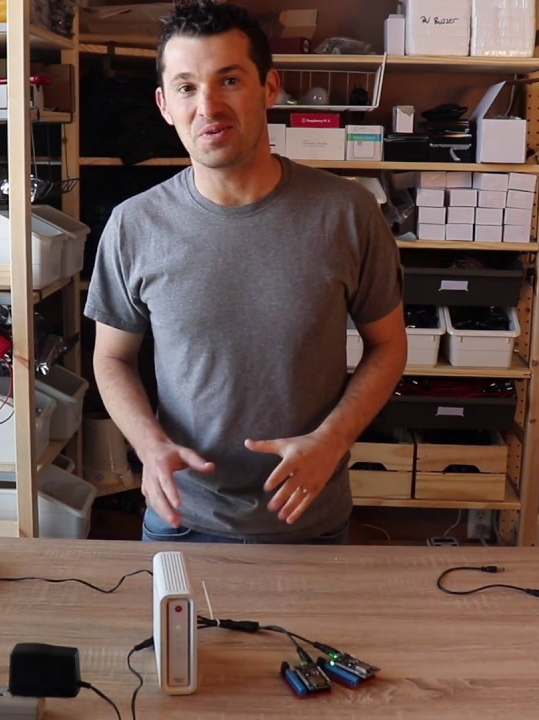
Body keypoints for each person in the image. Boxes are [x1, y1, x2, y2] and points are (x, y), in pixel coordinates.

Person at [84, 0, 407, 544]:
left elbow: (389, 345)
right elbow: (111, 358)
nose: (208, 106)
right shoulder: (133, 225)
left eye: (229, 80)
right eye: (186, 87)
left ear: (269, 87)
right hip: (182, 519)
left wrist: (331, 442)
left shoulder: (347, 213)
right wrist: (149, 446)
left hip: (309, 521)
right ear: (164, 105)